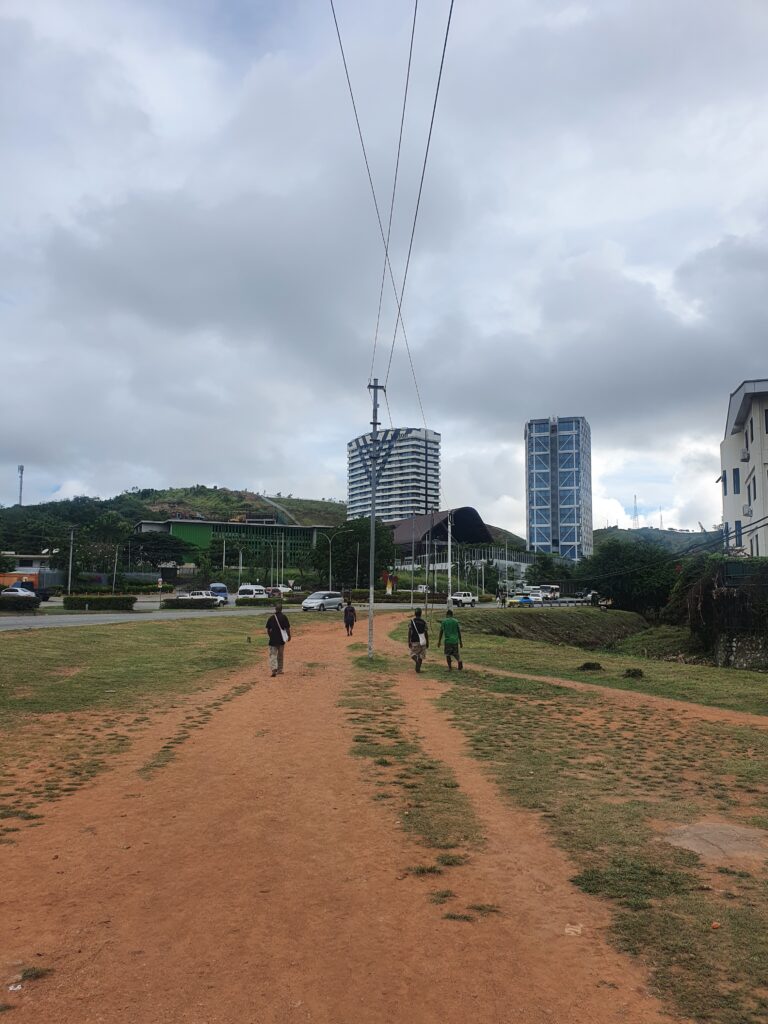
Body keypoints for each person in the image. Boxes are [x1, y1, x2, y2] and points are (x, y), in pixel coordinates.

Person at [265, 602, 291, 677]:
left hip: (273, 640)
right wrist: (289, 636)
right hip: (281, 640)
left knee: (273, 655)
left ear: (275, 609)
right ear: (281, 609)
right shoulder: (284, 617)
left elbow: (268, 629)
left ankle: (273, 669)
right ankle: (280, 670)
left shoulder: (271, 618)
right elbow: (287, 628)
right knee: (280, 655)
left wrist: (270, 636)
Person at [408, 608, 429, 672]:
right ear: (421, 614)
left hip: (414, 640)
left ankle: (416, 661)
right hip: (422, 641)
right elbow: (426, 633)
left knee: (413, 654)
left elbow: (409, 631)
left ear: (415, 614)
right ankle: (418, 669)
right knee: (421, 655)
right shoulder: (424, 622)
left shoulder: (412, 621)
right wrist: (427, 642)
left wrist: (409, 641)